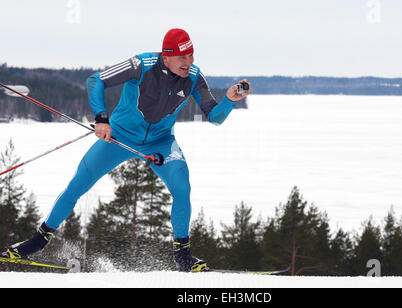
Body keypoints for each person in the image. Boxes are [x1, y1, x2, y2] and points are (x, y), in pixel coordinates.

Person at [2, 28, 251, 272]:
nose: (189, 62)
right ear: (166, 56)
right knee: (78, 184)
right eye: (182, 57)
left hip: (160, 141)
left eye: (191, 55)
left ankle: (183, 256)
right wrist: (101, 119)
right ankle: (39, 240)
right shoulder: (142, 64)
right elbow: (96, 81)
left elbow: (215, 117)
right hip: (119, 137)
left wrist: (229, 100)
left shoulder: (195, 76)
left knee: (182, 187)